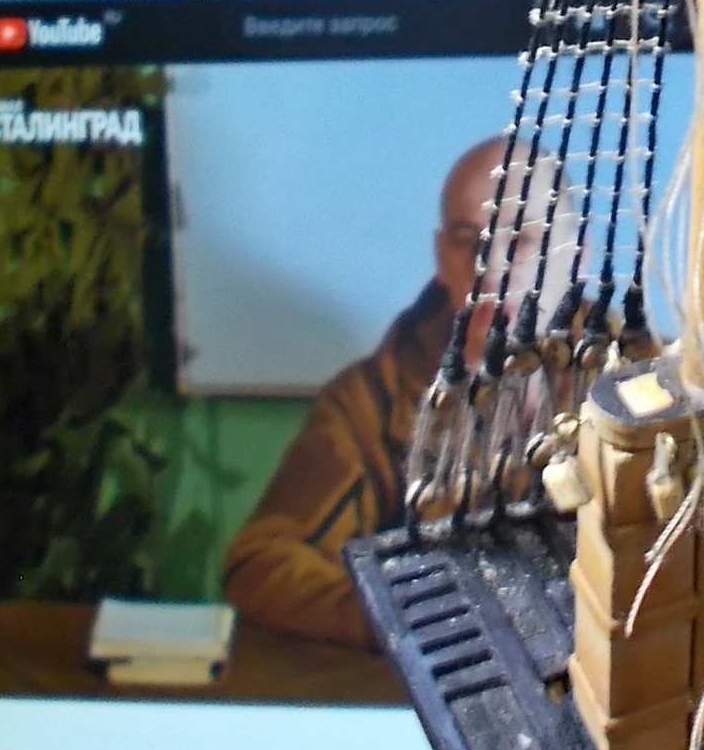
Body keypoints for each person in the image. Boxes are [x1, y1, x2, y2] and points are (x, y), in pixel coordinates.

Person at [223, 135, 538, 649]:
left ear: (579, 253)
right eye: (468, 241)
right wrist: (419, 619)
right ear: (441, 255)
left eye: (521, 241)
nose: (492, 270)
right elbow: (262, 564)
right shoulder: (375, 400)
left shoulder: (649, 394)